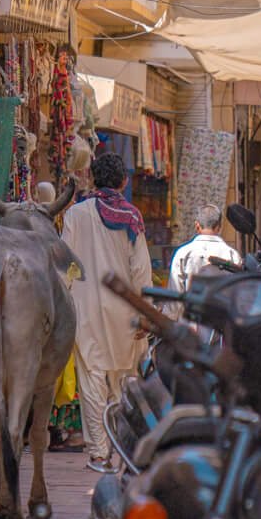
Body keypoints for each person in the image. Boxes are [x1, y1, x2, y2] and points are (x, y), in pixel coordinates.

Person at [61, 150, 149, 472]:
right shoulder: (132, 217)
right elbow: (140, 271)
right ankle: (125, 450)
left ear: (93, 179)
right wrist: (146, 313)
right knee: (124, 383)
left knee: (92, 382)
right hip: (125, 313)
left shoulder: (75, 215)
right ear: (124, 181)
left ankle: (100, 454)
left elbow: (66, 267)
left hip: (85, 312)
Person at [168, 204, 241, 293]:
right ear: (219, 227)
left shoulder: (183, 253)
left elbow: (175, 297)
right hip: (223, 306)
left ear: (197, 226)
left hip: (192, 306)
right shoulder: (232, 255)